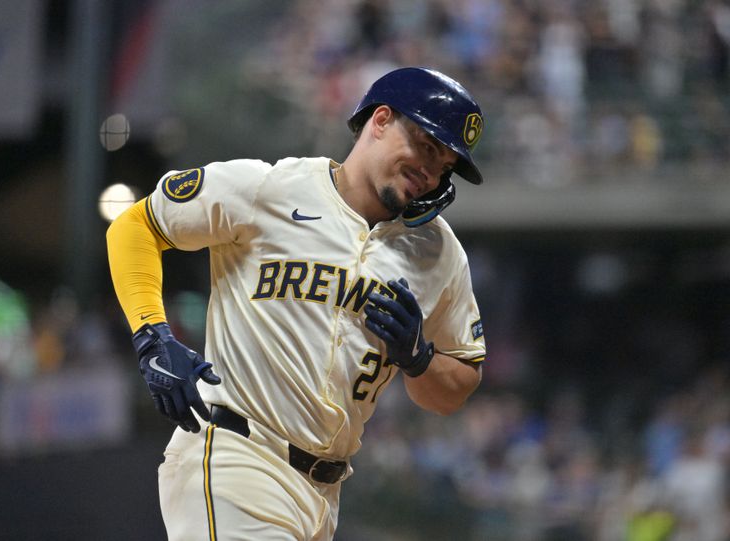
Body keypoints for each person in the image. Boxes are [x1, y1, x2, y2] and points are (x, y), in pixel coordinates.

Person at [106, 66, 487, 540]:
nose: (431, 172)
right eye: (427, 146)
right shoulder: (271, 189)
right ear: (381, 119)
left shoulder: (440, 254)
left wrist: (419, 359)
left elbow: (458, 385)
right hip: (237, 457)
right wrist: (152, 335)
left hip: (323, 495)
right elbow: (136, 226)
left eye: (446, 164)